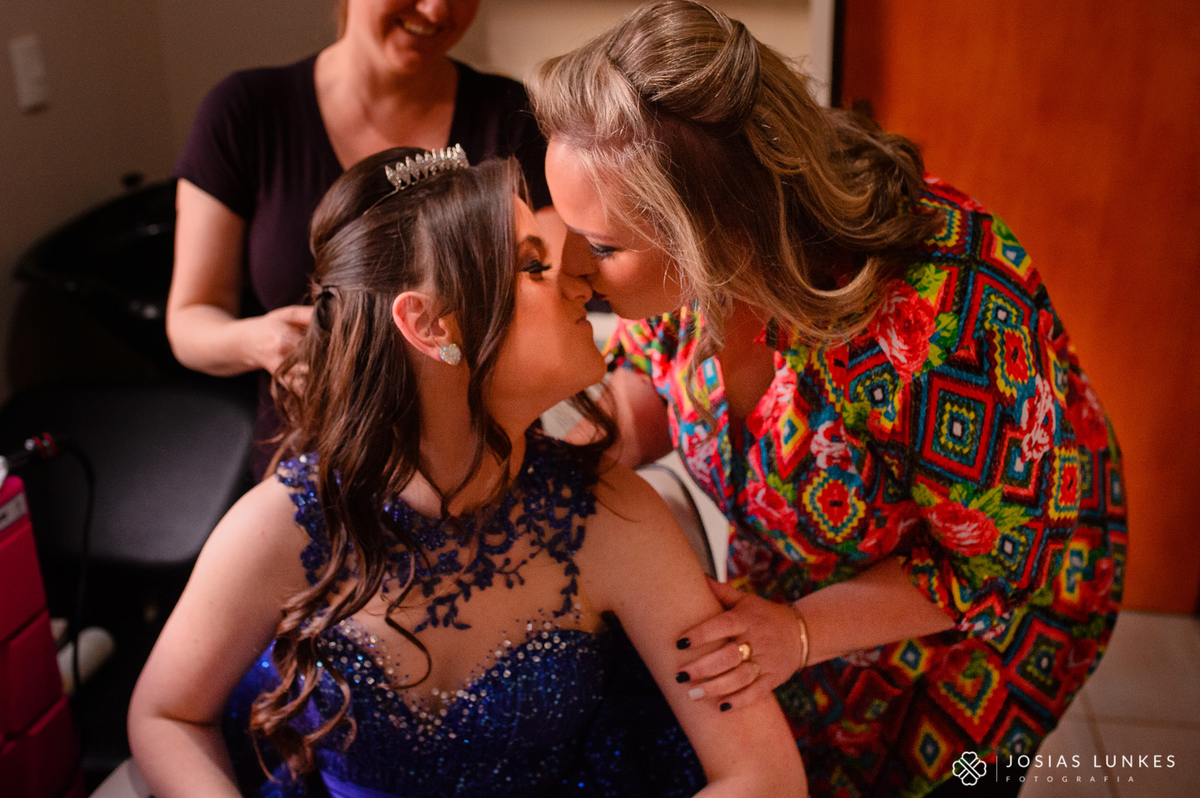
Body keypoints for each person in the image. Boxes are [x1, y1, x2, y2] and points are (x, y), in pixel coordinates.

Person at [529, 2, 1126, 796]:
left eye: (602, 246)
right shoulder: (689, 277)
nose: (571, 264)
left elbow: (995, 561)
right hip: (803, 576)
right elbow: (661, 385)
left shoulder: (945, 314)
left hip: (981, 619)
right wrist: (549, 469)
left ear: (713, 230)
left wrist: (802, 632)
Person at [128, 147, 806, 798]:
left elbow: (765, 776)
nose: (580, 281)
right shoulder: (284, 526)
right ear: (429, 324)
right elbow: (166, 716)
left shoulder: (615, 521)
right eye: (533, 265)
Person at [166, 0, 555, 476]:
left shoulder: (512, 116)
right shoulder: (243, 111)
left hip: (482, 462)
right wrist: (260, 342)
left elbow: (556, 288)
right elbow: (190, 321)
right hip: (315, 469)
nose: (436, 9)